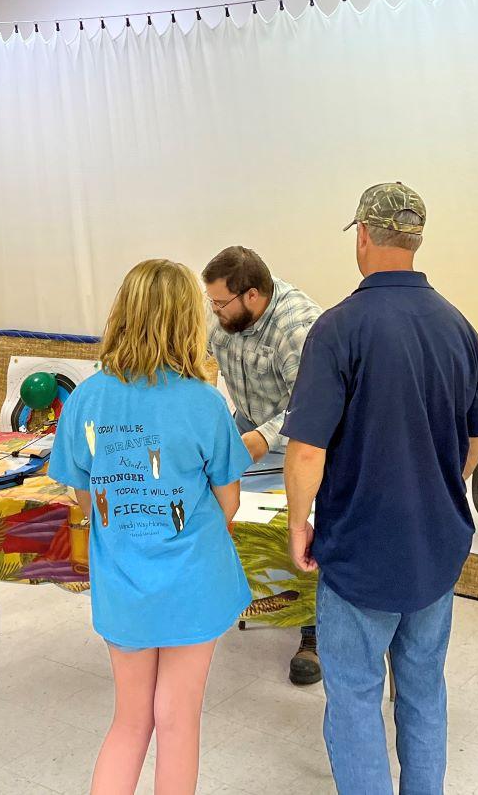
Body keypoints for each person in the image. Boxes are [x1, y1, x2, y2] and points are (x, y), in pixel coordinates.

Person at [283, 183, 478, 795]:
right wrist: (438, 479)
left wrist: (300, 525)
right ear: (416, 240)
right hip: (436, 548)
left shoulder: (338, 328)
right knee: (424, 686)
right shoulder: (459, 326)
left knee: (352, 697)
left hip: (359, 551)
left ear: (365, 236)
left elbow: (305, 450)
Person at [49, 259, 253, 795]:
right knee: (178, 720)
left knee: (129, 720)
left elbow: (82, 494)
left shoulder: (88, 398)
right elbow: (228, 502)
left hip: (123, 583)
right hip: (194, 581)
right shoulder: (206, 403)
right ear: (188, 321)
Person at [201, 245, 324, 686]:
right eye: (210, 301)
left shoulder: (298, 328)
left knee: (306, 524)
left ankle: (313, 633)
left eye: (220, 303)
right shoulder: (227, 314)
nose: (213, 311)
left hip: (304, 440)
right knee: (215, 508)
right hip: (248, 429)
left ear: (252, 295)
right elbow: (202, 367)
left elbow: (314, 405)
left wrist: (264, 438)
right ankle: (233, 598)